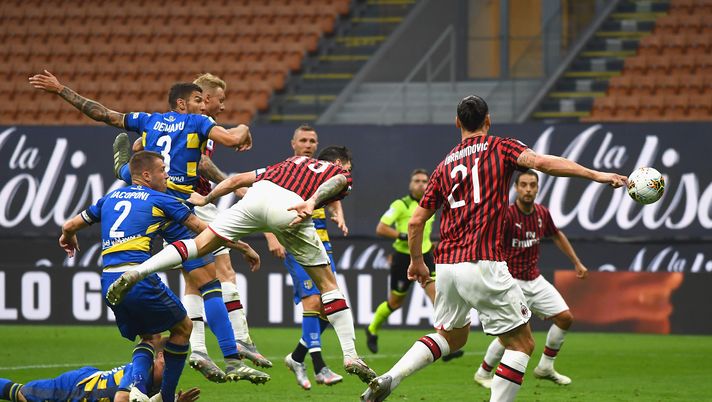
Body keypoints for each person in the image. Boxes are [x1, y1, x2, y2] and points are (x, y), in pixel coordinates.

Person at [360, 95, 626, 402]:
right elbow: (542, 163)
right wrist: (596, 175)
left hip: (446, 266)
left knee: (451, 336)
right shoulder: (501, 147)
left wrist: (418, 262)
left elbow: (416, 221)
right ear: (488, 121)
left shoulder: (444, 165)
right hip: (482, 261)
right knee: (522, 344)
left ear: (457, 122)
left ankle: (391, 377)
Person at [29, 71, 269, 384]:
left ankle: (124, 171)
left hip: (154, 201)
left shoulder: (149, 120)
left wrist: (62, 90)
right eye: (198, 100)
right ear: (182, 104)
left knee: (194, 282)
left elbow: (103, 114)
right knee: (211, 283)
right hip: (178, 205)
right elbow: (234, 139)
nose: (204, 105)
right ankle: (233, 359)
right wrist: (245, 129)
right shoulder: (198, 123)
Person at [106, 146, 378, 384]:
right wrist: (313, 201)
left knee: (198, 246)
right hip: (291, 208)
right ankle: (351, 356)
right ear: (338, 163)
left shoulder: (287, 162)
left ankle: (138, 271)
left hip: (256, 197)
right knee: (329, 286)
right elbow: (339, 179)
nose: (348, 170)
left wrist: (206, 199)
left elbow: (236, 180)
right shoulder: (338, 172)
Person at [57, 151, 257, 402]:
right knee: (183, 328)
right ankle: (166, 397)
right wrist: (243, 247)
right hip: (138, 278)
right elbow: (206, 231)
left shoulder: (109, 198)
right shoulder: (161, 200)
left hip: (109, 280)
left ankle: (138, 390)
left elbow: (69, 226)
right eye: (162, 169)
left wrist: (67, 237)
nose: (167, 174)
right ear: (146, 174)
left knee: (150, 337)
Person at [474, 170, 587, 388]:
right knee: (513, 333)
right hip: (511, 282)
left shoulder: (542, 213)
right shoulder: (506, 215)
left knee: (565, 318)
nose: (528, 189)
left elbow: (556, 234)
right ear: (516, 188)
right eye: (523, 185)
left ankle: (545, 367)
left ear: (537, 188)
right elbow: (487, 241)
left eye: (532, 185)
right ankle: (483, 373)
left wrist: (576, 262)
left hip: (535, 279)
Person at [272, 126, 348, 390]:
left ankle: (296, 357)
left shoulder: (320, 170)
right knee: (314, 300)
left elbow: (333, 192)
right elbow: (263, 203)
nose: (308, 144)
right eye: (303, 140)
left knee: (331, 306)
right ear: (293, 143)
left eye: (312, 141)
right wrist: (271, 238)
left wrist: (338, 213)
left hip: (322, 242)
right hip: (296, 242)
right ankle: (320, 367)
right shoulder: (285, 171)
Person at [0, 336, 200, 402]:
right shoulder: (141, 371)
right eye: (173, 358)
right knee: (21, 395)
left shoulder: (162, 383)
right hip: (76, 389)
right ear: (161, 356)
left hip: (92, 379)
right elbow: (121, 399)